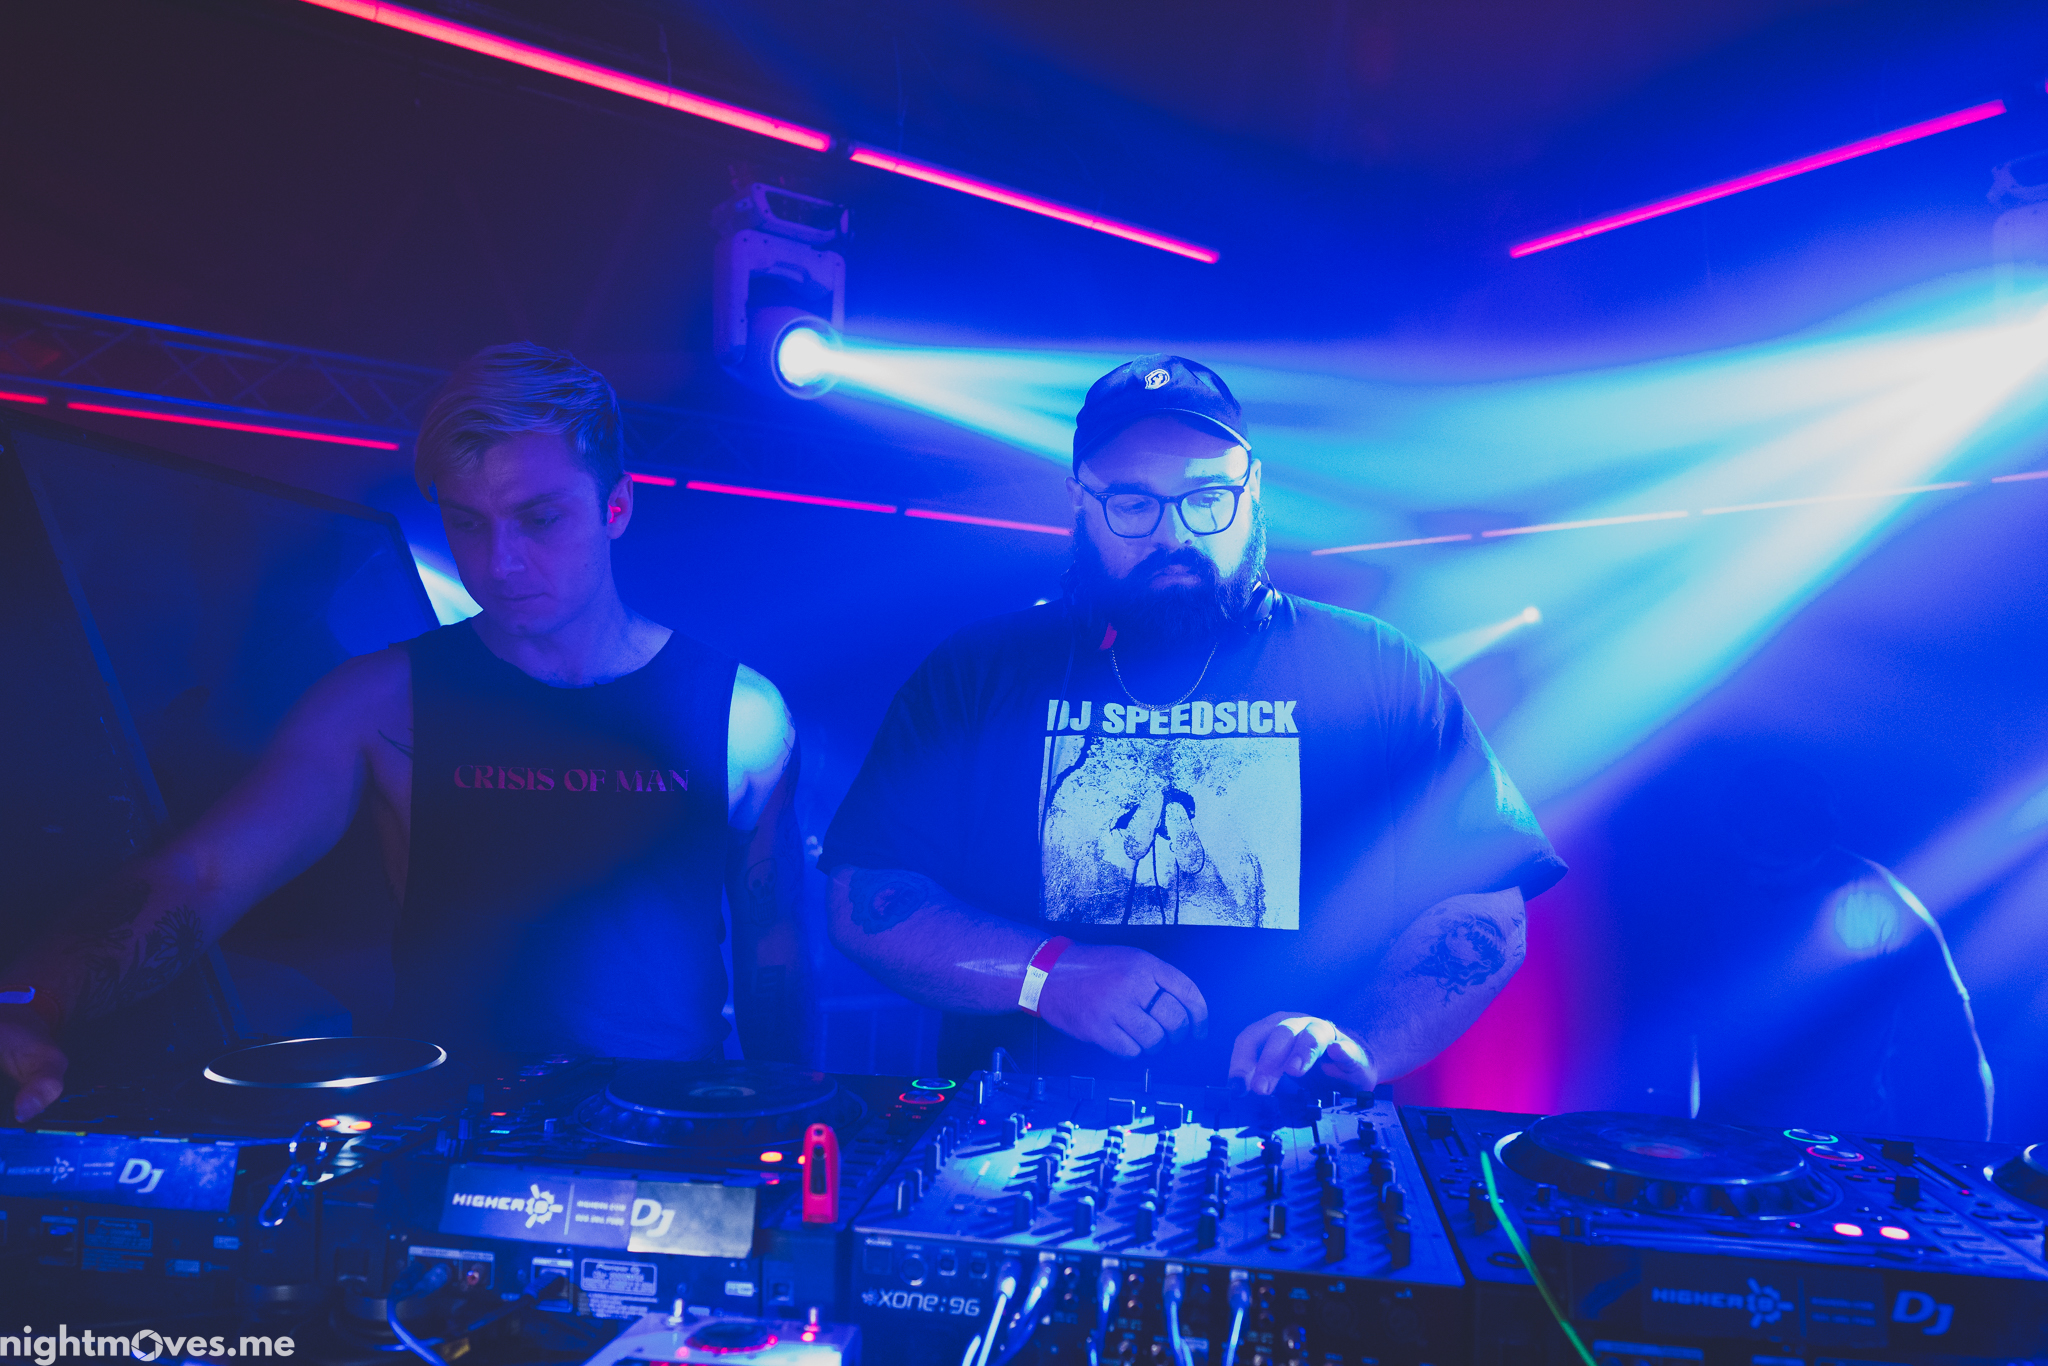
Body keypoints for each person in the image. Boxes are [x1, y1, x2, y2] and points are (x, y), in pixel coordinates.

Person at [0, 343, 809, 1121]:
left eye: (539, 518)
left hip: (671, 1141)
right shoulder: (378, 703)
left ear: (616, 507)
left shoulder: (743, 717)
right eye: (467, 524)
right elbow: (202, 877)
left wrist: (801, 1125)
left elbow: (772, 949)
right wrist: (29, 1001)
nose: (501, 563)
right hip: (441, 1144)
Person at [822, 355, 1565, 1094]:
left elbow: (1487, 906)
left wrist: (1359, 1042)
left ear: (1253, 489)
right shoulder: (976, 673)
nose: (1173, 535)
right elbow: (867, 900)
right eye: (1133, 503)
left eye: (1208, 498)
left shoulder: (1376, 668)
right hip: (1021, 1123)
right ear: (1078, 500)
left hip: (1300, 1131)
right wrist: (1046, 974)